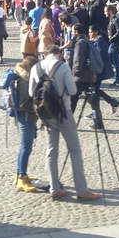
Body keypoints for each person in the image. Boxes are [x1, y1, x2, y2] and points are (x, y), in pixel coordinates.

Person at [28, 46, 100, 201]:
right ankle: (82, 190)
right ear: (59, 54)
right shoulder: (62, 66)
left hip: (46, 113)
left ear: (45, 54)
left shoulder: (36, 68)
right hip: (63, 112)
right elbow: (73, 90)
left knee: (51, 150)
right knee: (74, 150)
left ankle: (54, 188)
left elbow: (30, 92)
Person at [9, 56, 41, 192]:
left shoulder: (24, 78)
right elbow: (24, 104)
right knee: (26, 148)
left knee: (25, 147)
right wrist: (39, 107)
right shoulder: (25, 81)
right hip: (26, 117)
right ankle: (21, 178)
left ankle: (20, 174)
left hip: (26, 117)